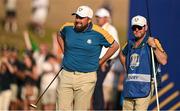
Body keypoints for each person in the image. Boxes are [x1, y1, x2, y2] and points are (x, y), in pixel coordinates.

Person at [56, 5, 119, 110]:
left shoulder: (99, 32)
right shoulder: (67, 27)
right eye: (76, 17)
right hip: (66, 74)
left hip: (86, 77)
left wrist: (101, 62)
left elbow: (115, 46)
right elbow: (59, 34)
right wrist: (65, 51)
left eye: (81, 18)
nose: (77, 20)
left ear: (89, 19)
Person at [119, 15, 168, 110]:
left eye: (139, 27)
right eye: (134, 28)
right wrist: (126, 69)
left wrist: (154, 47)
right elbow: (121, 54)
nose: (136, 30)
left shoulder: (153, 41)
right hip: (130, 86)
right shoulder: (129, 43)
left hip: (145, 86)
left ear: (145, 27)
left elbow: (164, 60)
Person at [93, 8, 120, 110]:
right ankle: (97, 107)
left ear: (106, 18)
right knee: (94, 84)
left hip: (106, 61)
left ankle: (99, 108)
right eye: (97, 17)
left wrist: (104, 60)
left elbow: (116, 48)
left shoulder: (111, 29)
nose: (98, 19)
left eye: (100, 18)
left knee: (98, 83)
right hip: (97, 61)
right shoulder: (96, 28)